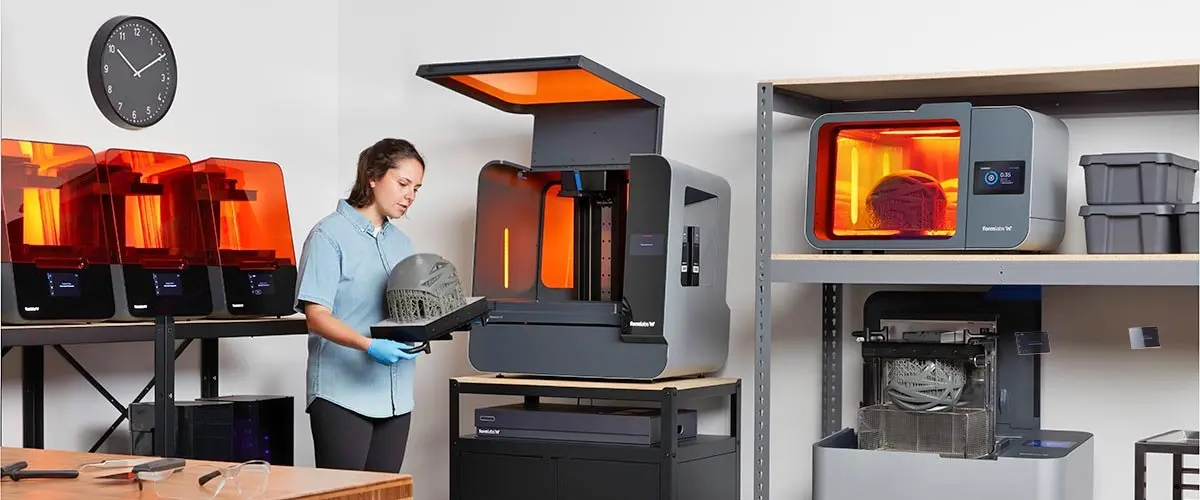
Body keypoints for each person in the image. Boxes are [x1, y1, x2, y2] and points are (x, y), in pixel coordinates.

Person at [293, 138, 426, 472]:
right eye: (403, 183)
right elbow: (316, 317)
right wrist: (369, 346)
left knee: (387, 496)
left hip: (396, 397)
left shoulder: (402, 243)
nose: (409, 196)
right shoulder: (329, 235)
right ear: (373, 177)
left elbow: (407, 309)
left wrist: (433, 327)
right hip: (342, 396)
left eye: (417, 188)